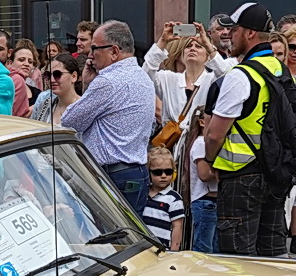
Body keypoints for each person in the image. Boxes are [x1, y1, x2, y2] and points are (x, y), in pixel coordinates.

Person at [203, 3, 295, 257]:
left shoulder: (240, 75)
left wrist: (210, 160)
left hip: (241, 176)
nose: (228, 35)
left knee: (238, 259)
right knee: (272, 255)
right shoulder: (281, 69)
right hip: (275, 172)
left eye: (234, 30)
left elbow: (214, 135)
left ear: (250, 33)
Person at [63, 20, 156, 213]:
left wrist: (89, 84)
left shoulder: (108, 81)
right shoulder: (142, 76)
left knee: (107, 232)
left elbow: (70, 121)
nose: (90, 55)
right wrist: (88, 84)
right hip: (137, 172)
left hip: (113, 175)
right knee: (133, 230)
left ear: (114, 51)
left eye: (94, 48)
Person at [150, 34, 217, 145]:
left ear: (208, 56)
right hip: (172, 147)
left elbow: (226, 73)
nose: (192, 48)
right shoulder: (168, 78)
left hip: (201, 146)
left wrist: (210, 47)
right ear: (182, 53)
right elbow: (146, 74)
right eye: (188, 46)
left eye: (199, 46)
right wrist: (162, 41)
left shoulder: (213, 80)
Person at [182, 107, 217, 252]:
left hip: (211, 201)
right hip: (205, 201)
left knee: (213, 247)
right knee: (204, 248)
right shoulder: (201, 143)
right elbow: (204, 175)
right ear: (202, 122)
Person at [141, 145, 186, 249]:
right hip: (142, 248)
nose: (163, 176)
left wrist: (173, 250)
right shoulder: (143, 193)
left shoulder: (174, 199)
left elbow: (177, 226)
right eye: (157, 172)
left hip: (162, 249)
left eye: (168, 172)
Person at [30, 52, 80, 125]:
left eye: (57, 74)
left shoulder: (83, 108)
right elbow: (32, 127)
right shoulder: (44, 102)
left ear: (74, 76)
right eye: (48, 75)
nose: (52, 80)